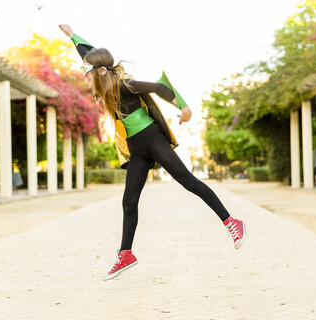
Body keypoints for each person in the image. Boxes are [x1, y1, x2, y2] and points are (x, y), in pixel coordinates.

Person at [59, 24, 247, 281]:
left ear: (101, 71)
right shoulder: (105, 85)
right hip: (138, 151)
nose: (84, 75)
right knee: (128, 202)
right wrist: (72, 36)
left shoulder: (124, 85)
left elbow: (158, 88)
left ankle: (232, 223)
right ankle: (126, 254)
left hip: (153, 141)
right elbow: (88, 54)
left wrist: (183, 107)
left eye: (87, 72)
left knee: (189, 182)